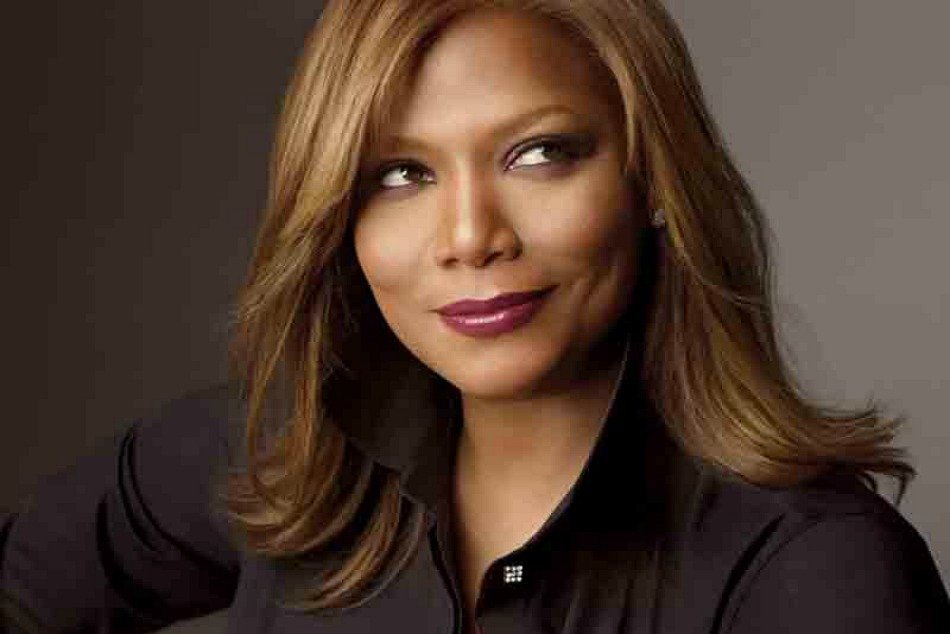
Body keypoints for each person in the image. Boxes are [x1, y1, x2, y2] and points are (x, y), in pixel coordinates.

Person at [2, 0, 948, 632]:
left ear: (654, 178)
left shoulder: (814, 570)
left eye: (538, 154)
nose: (468, 236)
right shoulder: (268, 455)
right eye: (400, 174)